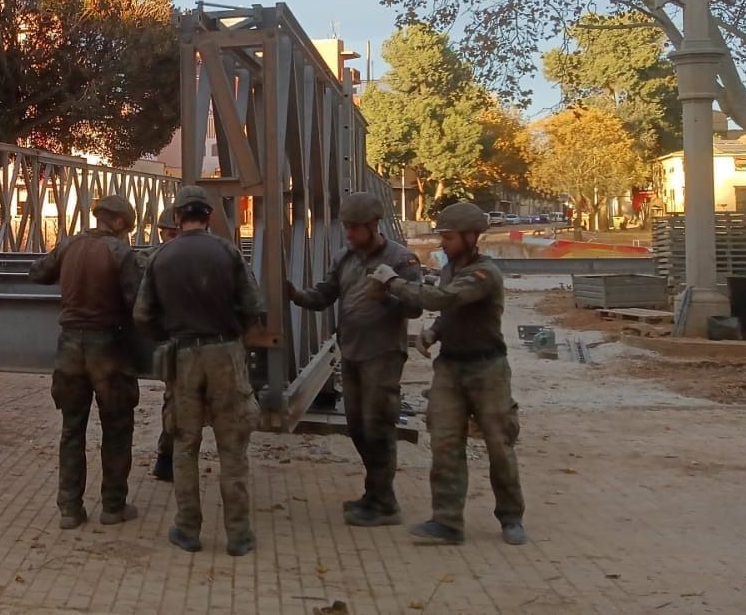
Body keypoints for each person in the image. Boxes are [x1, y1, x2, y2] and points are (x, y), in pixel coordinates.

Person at [370, 201, 527, 546]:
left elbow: (444, 300)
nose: (443, 244)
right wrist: (435, 332)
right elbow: (451, 311)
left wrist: (393, 282)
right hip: (451, 367)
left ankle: (511, 517)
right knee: (444, 444)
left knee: (499, 444)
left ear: (472, 237)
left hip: (488, 369)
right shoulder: (451, 268)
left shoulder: (484, 275)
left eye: (450, 238)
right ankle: (447, 521)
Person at [134, 185, 264, 556]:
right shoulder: (228, 252)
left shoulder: (161, 257)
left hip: (184, 356)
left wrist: (169, 336)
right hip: (225, 353)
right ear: (209, 217)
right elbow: (253, 305)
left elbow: (142, 315)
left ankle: (188, 530)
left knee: (185, 444)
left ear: (177, 217)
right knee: (233, 446)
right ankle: (239, 535)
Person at [286, 191, 423, 527]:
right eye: (346, 227)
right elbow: (324, 295)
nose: (348, 233)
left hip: (383, 354)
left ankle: (384, 502)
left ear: (374, 225)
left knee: (378, 426)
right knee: (358, 426)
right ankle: (374, 494)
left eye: (354, 228)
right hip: (352, 351)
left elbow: (417, 306)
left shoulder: (402, 260)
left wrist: (390, 293)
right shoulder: (345, 258)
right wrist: (295, 294)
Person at [27, 194, 142, 530]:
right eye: (127, 229)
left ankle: (70, 509)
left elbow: (36, 273)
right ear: (119, 222)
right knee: (117, 428)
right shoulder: (120, 252)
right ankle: (113, 506)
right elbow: (137, 302)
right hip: (108, 348)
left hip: (70, 349)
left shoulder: (68, 245)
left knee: (71, 430)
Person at [138, 214, 180, 483]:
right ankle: (168, 459)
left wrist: (158, 337)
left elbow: (142, 312)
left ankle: (167, 459)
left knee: (175, 401)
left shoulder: (153, 258)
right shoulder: (220, 253)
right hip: (209, 344)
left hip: (174, 342)